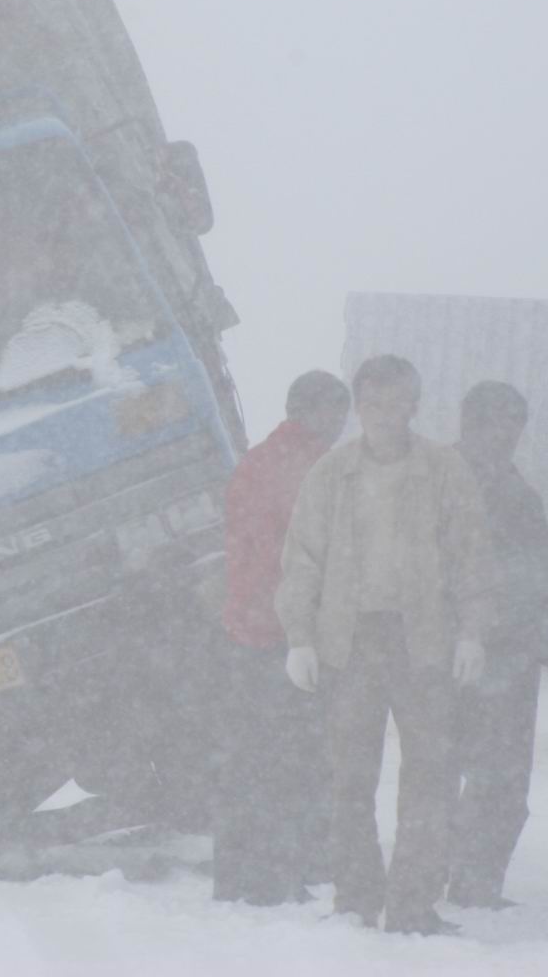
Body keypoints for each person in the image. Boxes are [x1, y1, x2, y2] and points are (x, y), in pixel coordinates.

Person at [275, 355, 495, 936]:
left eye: (397, 403)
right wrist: (299, 637)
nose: (384, 415)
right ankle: (355, 895)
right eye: (372, 404)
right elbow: (302, 559)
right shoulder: (330, 474)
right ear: (358, 407)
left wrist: (472, 631)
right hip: (349, 643)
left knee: (429, 774)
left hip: (423, 642)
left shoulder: (445, 472)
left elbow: (471, 557)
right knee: (349, 775)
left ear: (414, 405)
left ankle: (412, 904)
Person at [213, 371, 350, 905]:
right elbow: (314, 557)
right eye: (337, 414)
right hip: (290, 635)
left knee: (250, 760)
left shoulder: (255, 462)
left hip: (246, 627)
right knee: (293, 760)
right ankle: (278, 873)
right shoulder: (316, 468)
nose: (342, 426)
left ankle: (238, 874)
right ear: (316, 412)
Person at [448, 381, 548, 909]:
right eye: (500, 423)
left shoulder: (515, 489)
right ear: (471, 423)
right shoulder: (442, 482)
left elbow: (534, 576)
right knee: (473, 776)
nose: (509, 436)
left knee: (497, 781)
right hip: (468, 650)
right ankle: (463, 880)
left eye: (516, 425)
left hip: (510, 653)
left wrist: (536, 633)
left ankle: (473, 880)